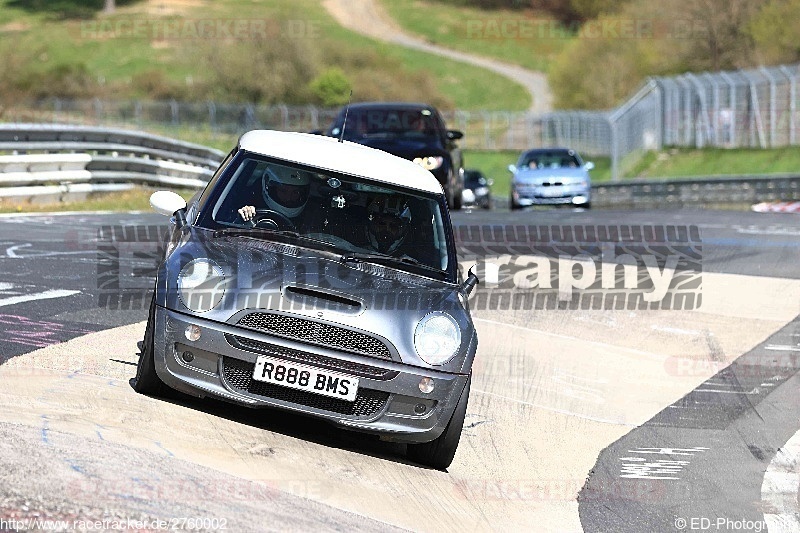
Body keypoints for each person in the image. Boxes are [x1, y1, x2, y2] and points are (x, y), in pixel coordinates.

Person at [237, 165, 311, 228]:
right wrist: (247, 214)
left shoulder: (311, 216)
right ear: (269, 188)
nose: (288, 198)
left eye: (295, 192)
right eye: (283, 191)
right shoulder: (252, 200)